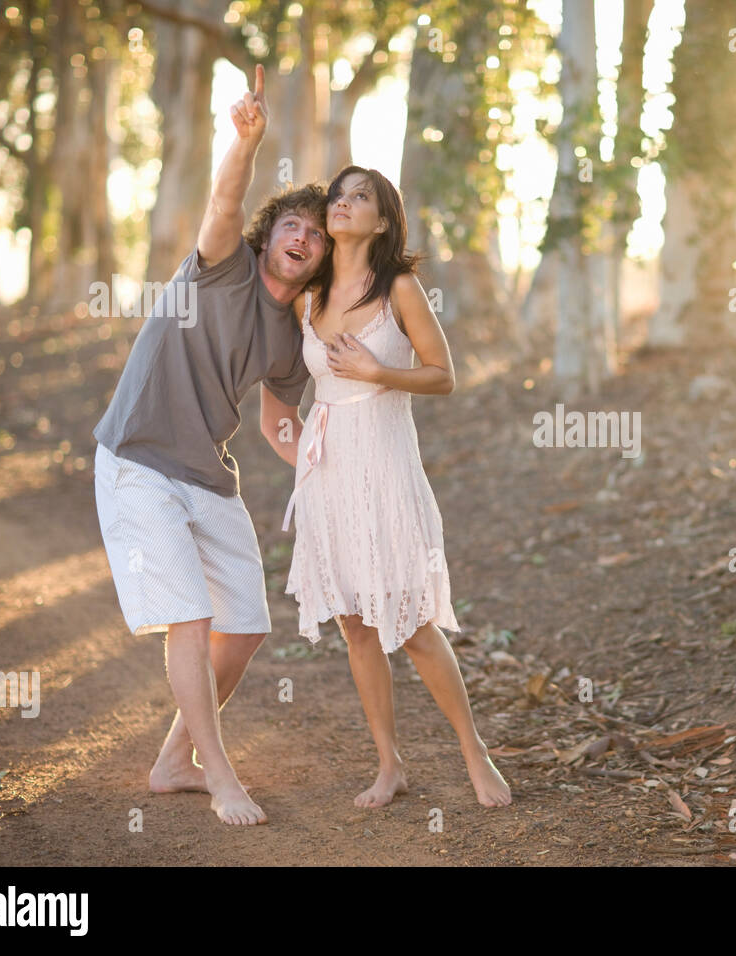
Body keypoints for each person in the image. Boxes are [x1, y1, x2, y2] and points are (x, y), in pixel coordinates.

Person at [92, 67, 327, 825]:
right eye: (294, 223)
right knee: (189, 617)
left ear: (324, 259)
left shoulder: (293, 340)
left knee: (246, 625)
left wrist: (319, 470)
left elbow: (277, 424)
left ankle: (171, 760)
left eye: (318, 236)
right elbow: (226, 198)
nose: (304, 236)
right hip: (138, 460)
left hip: (207, 474)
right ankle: (217, 771)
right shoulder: (220, 266)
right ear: (271, 232)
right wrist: (246, 140)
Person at [280, 165, 511, 809]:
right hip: (326, 470)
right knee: (355, 624)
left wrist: (379, 370)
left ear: (382, 220)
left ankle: (474, 750)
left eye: (361, 197)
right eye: (338, 195)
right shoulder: (310, 294)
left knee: (408, 620)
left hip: (383, 465)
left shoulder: (399, 287)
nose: (344, 203)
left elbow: (444, 376)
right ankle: (390, 764)